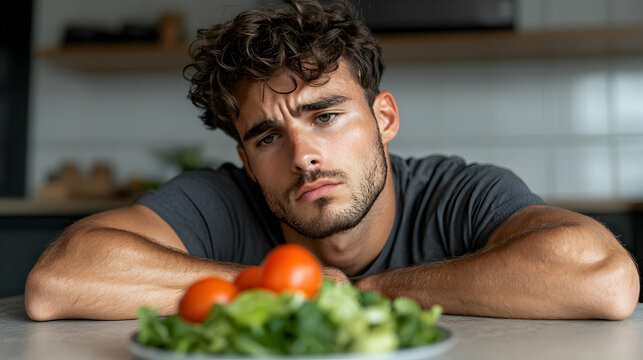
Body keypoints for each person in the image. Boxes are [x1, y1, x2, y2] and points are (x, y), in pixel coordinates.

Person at [25, 0, 639, 321]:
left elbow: (604, 279)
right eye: (268, 137)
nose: (303, 154)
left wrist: (370, 291)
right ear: (245, 156)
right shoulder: (220, 200)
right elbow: (61, 279)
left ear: (385, 119)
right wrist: (297, 290)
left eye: (326, 116)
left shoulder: (461, 193)